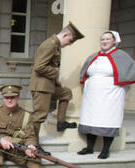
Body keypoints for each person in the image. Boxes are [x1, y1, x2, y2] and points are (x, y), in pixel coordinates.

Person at [78, 31, 135, 159]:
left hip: (111, 95)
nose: (104, 41)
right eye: (102, 39)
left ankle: (105, 150)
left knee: (107, 119)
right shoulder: (93, 56)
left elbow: (130, 71)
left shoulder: (122, 56)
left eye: (108, 39)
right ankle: (89, 147)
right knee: (90, 118)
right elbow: (85, 72)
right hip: (92, 95)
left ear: (114, 41)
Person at [29, 21, 84, 153]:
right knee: (39, 116)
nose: (70, 44)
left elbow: (49, 65)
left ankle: (60, 122)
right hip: (41, 86)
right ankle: (33, 144)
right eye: (70, 41)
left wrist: (57, 82)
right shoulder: (50, 45)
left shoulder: (56, 46)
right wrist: (56, 73)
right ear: (65, 35)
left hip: (48, 85)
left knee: (66, 93)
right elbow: (39, 67)